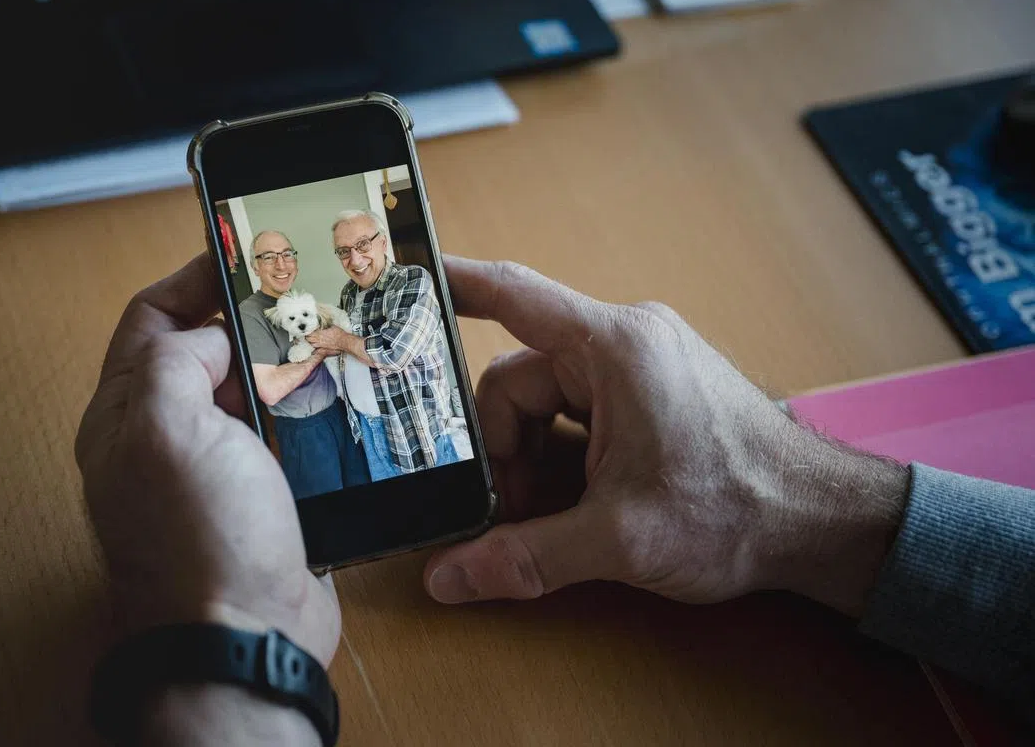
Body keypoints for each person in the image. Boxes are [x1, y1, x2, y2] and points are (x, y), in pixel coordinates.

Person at [76, 254, 1034, 745]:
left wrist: (222, 641)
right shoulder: (305, 316)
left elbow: (374, 366)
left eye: (363, 243)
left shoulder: (381, 302)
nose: (341, 263)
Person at [305, 209, 458, 480]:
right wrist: (331, 346)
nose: (355, 259)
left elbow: (393, 354)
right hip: (367, 428)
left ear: (383, 242)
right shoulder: (349, 293)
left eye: (363, 244)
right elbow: (353, 349)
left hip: (415, 431)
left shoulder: (411, 280)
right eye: (343, 251)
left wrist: (339, 339)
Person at [236, 229, 370, 497]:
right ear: (254, 266)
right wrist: (321, 350)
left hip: (340, 414)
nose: (281, 264)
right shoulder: (250, 314)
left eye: (287, 254)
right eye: (269, 257)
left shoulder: (301, 301)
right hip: (304, 431)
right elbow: (269, 390)